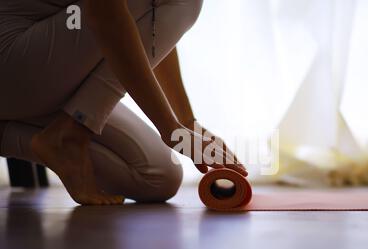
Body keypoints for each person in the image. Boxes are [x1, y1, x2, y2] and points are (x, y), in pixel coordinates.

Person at [0, 0, 247, 205]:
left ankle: (27, 134)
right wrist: (171, 129)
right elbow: (107, 16)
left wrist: (187, 123)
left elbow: (149, 27)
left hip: (36, 71)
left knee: (159, 176)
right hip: (12, 60)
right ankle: (69, 134)